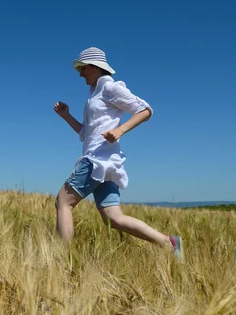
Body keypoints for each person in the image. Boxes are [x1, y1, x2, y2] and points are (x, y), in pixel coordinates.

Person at [53, 47, 183, 261]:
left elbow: (145, 110)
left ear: (94, 68)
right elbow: (86, 132)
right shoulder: (94, 93)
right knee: (113, 218)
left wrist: (120, 130)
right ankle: (169, 244)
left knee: (63, 202)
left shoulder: (110, 88)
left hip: (97, 160)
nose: (80, 73)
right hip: (106, 163)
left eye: (83, 68)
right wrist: (66, 116)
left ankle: (61, 260)